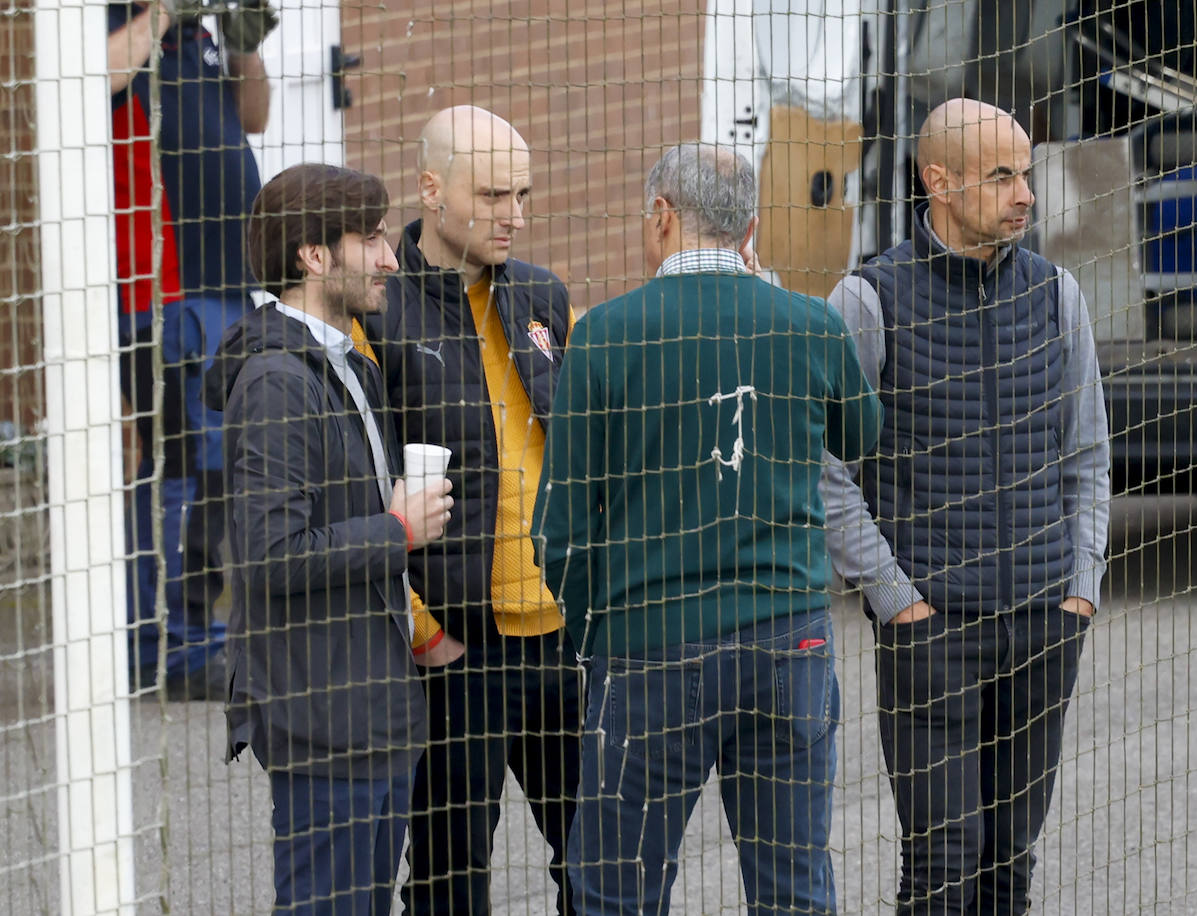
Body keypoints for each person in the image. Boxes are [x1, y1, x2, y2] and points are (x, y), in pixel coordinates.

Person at [532, 142, 883, 916]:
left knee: (617, 891)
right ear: (751, 226)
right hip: (788, 637)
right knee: (794, 887)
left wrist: (597, 629)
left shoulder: (605, 335)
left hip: (647, 649)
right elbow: (864, 434)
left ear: (661, 215)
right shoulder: (808, 323)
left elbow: (560, 529)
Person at [819, 98, 1112, 914]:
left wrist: (1079, 589)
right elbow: (825, 469)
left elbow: (1087, 456)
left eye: (1026, 173)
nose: (1026, 194)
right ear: (937, 180)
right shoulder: (868, 301)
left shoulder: (1058, 295)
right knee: (943, 864)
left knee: (1010, 864)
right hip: (932, 631)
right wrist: (896, 600)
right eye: (1002, 176)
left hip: (1044, 625)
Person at [202, 163, 454, 914]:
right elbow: (272, 554)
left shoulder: (347, 364)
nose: (390, 257)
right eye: (371, 238)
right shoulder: (279, 378)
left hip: (371, 716)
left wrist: (419, 630)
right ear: (314, 256)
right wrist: (397, 529)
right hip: (325, 724)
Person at [364, 105, 581, 914]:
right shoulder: (383, 310)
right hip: (458, 646)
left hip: (561, 634)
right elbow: (368, 479)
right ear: (430, 188)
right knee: (452, 879)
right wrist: (422, 626)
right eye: (492, 194)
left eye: (523, 194)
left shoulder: (540, 295)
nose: (514, 215)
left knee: (600, 861)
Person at [107, 0, 276, 699]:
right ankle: (173, 652)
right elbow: (93, 79)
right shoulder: (110, 23)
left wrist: (243, 46)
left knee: (214, 472)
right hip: (164, 292)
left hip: (228, 284)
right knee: (185, 471)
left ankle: (189, 639)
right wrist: (163, 13)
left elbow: (256, 115)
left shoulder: (200, 36)